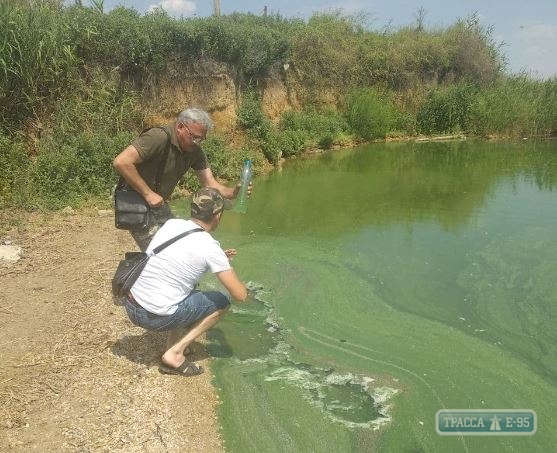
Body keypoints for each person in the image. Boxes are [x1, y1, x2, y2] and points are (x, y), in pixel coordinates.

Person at [122, 187, 249, 377]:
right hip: (152, 317)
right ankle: (174, 353)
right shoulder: (209, 247)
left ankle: (172, 345)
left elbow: (177, 260)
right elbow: (240, 295)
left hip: (131, 306)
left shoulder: (172, 225)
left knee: (188, 285)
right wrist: (224, 266)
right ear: (217, 215)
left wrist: (217, 260)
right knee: (222, 301)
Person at [113, 107, 251, 251]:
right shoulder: (158, 137)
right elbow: (122, 162)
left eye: (201, 139)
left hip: (158, 203)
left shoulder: (194, 150)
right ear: (180, 126)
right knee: (163, 252)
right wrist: (148, 194)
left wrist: (234, 192)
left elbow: (209, 183)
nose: (197, 142)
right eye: (195, 137)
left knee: (179, 239)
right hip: (135, 200)